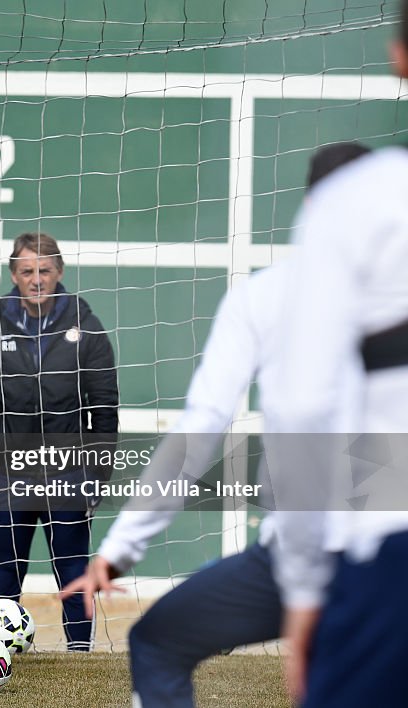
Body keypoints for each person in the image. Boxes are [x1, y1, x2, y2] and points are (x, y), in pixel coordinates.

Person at [59, 141, 370, 707]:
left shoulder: (268, 295)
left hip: (311, 553)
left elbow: (201, 430)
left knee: (157, 642)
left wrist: (119, 549)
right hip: (359, 554)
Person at [270, 9, 408, 703]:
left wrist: (301, 591)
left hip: (391, 537)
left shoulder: (356, 200)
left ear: (397, 57)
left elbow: (302, 407)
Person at [0, 231, 119, 651]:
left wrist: (97, 476)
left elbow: (104, 407)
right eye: (27, 270)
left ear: (59, 271)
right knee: (5, 576)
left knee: (73, 574)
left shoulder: (86, 325)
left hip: (68, 475)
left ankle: (79, 656)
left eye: (44, 270)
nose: (36, 279)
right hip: (8, 474)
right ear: (14, 273)